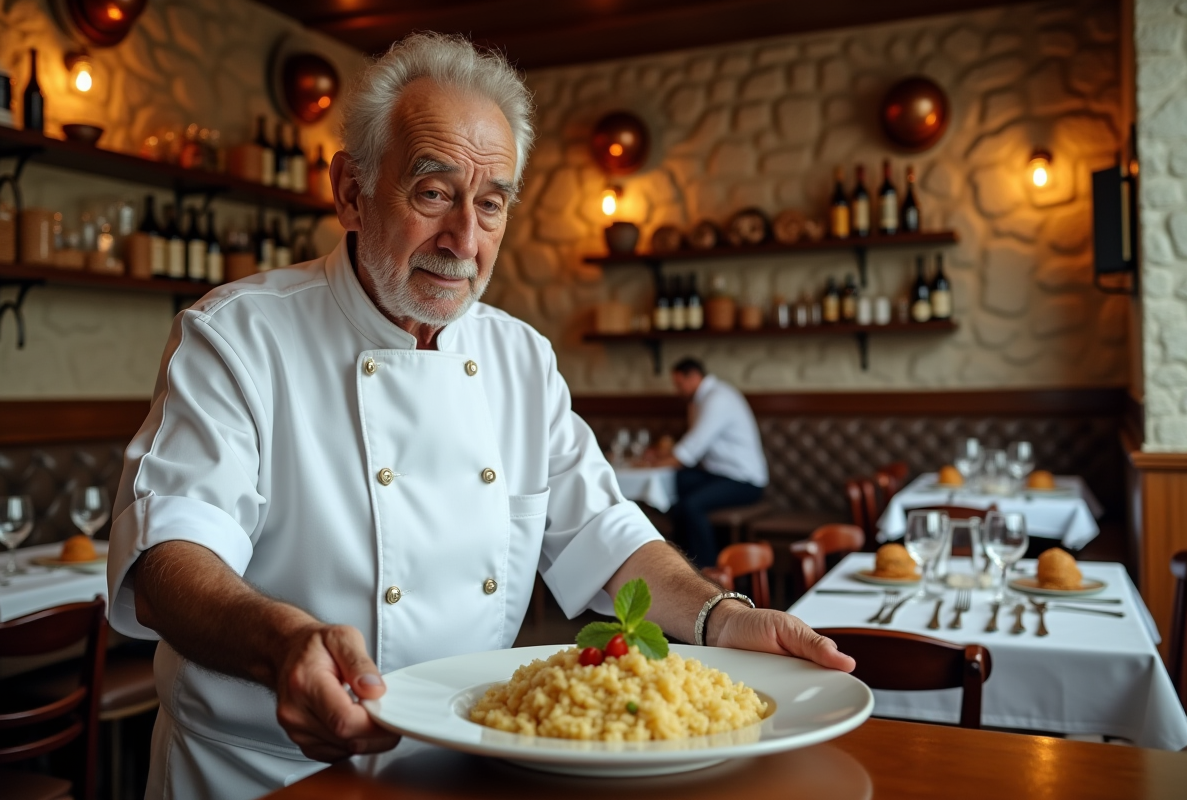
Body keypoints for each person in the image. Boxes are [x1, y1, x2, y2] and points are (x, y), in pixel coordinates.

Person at [105, 33, 852, 800]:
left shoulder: (521, 359)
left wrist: (724, 619)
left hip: (461, 769)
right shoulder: (237, 335)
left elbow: (610, 536)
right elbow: (169, 562)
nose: (464, 239)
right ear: (351, 192)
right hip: (262, 772)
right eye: (433, 193)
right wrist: (283, 644)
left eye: (490, 203)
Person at [647, 358, 768, 566]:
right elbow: (690, 448)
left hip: (745, 481)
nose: (677, 390)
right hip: (718, 475)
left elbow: (689, 451)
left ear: (693, 377)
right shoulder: (699, 401)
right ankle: (677, 561)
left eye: (679, 384)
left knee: (691, 505)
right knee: (675, 486)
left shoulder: (718, 398)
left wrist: (649, 465)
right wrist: (659, 457)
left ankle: (708, 570)